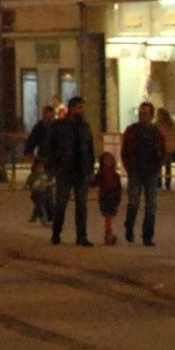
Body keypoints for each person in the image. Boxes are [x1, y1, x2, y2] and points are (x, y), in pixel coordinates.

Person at [48, 95, 96, 247]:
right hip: (65, 169)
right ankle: (56, 232)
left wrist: (90, 168)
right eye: (80, 107)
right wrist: (54, 165)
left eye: (83, 107)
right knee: (61, 202)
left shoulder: (85, 126)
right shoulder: (60, 126)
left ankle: (81, 236)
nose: (82, 110)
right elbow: (51, 146)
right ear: (73, 108)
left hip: (80, 170)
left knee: (81, 204)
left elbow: (89, 148)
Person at [120, 101, 165, 247]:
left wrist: (158, 166)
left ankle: (147, 235)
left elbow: (162, 150)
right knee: (134, 202)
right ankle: (129, 227)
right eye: (140, 113)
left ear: (151, 116)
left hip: (151, 172)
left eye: (145, 113)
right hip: (136, 171)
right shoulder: (132, 130)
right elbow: (125, 150)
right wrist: (129, 167)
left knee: (151, 205)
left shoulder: (156, 132)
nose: (142, 116)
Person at [94, 151, 123, 247]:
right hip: (104, 198)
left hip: (113, 198)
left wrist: (118, 198)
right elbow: (94, 183)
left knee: (109, 218)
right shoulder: (101, 175)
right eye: (106, 160)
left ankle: (109, 235)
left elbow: (119, 189)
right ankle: (108, 235)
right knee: (108, 218)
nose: (108, 162)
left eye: (110, 160)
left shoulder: (116, 176)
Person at [155, 106, 175, 189]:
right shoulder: (158, 125)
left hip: (167, 148)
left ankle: (166, 183)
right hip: (161, 148)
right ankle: (159, 182)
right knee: (160, 166)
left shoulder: (169, 125)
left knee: (166, 166)